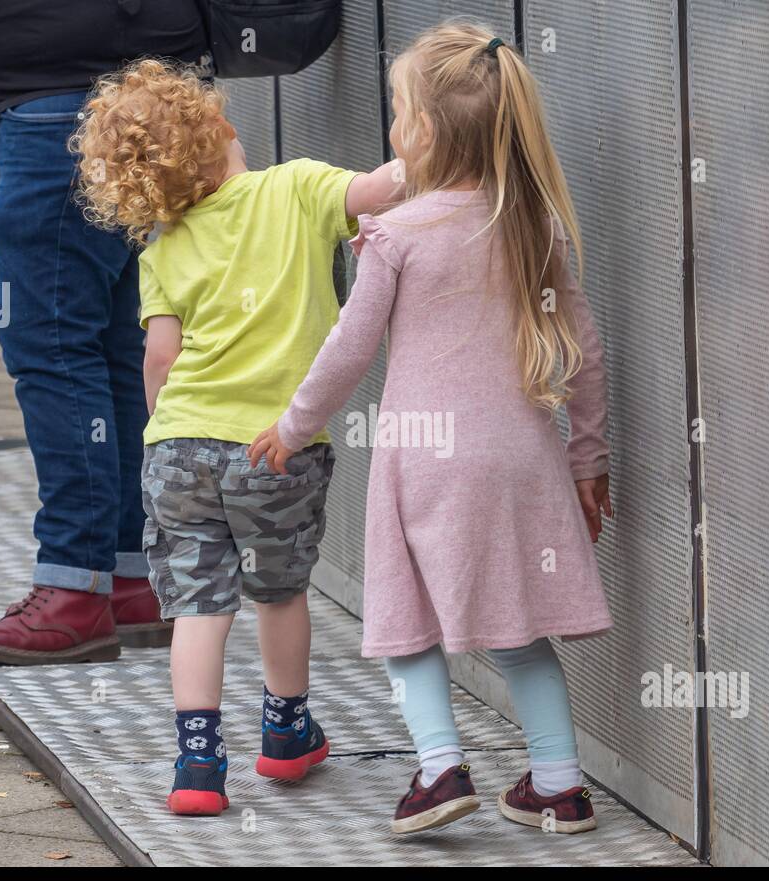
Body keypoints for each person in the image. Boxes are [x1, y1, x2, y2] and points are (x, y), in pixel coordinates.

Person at [248, 23, 614, 835]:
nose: (391, 126)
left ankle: (440, 770)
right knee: (518, 631)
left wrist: (294, 422)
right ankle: (558, 785)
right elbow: (585, 354)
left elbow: (348, 349)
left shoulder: (396, 235)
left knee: (406, 624)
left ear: (423, 132)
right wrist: (589, 461)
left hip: (424, 462)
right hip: (525, 457)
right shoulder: (532, 227)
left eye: (398, 110)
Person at [68, 59, 401, 815]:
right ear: (220, 126)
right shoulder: (298, 189)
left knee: (196, 605)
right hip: (273, 446)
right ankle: (284, 737)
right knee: (279, 593)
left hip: (179, 448)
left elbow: (160, 357)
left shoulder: (163, 244)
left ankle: (196, 764)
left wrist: (163, 431)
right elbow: (387, 188)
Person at [0, 1, 214, 663]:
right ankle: (125, 578)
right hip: (103, 88)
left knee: (54, 346)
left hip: (60, 98)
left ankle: (74, 591)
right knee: (110, 345)